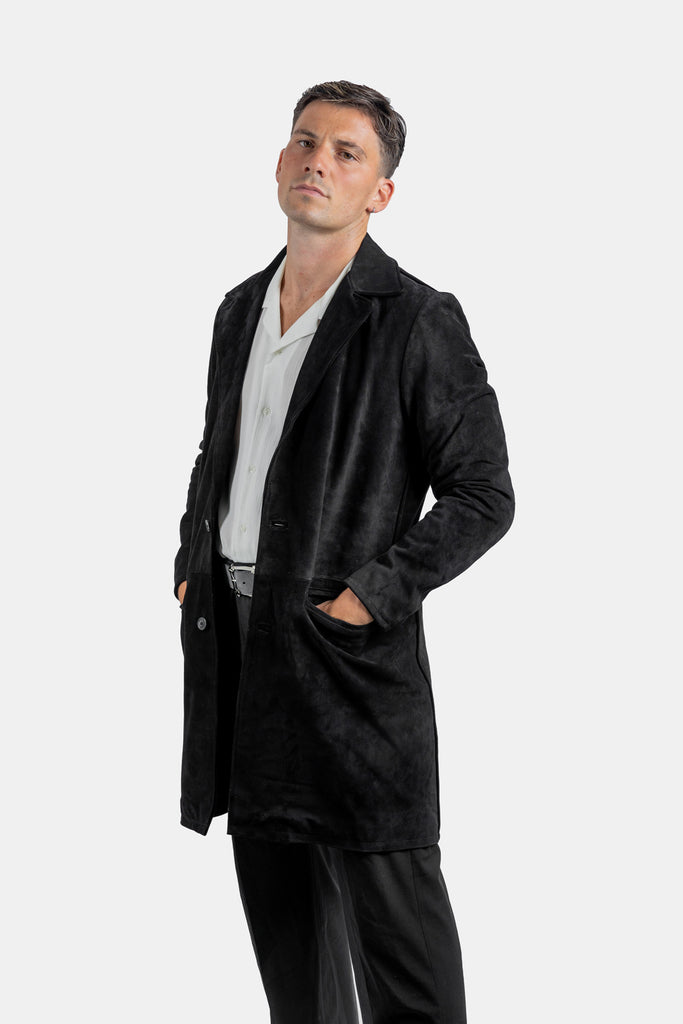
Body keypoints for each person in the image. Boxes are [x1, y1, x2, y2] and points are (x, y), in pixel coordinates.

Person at [174, 80, 514, 1023]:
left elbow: (483, 494)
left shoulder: (414, 317)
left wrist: (372, 595)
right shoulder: (238, 310)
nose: (316, 161)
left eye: (345, 152)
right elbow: (217, 450)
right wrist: (190, 559)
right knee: (290, 950)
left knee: (400, 942)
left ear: (380, 191)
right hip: (239, 649)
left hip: (346, 661)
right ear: (280, 160)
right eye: (303, 141)